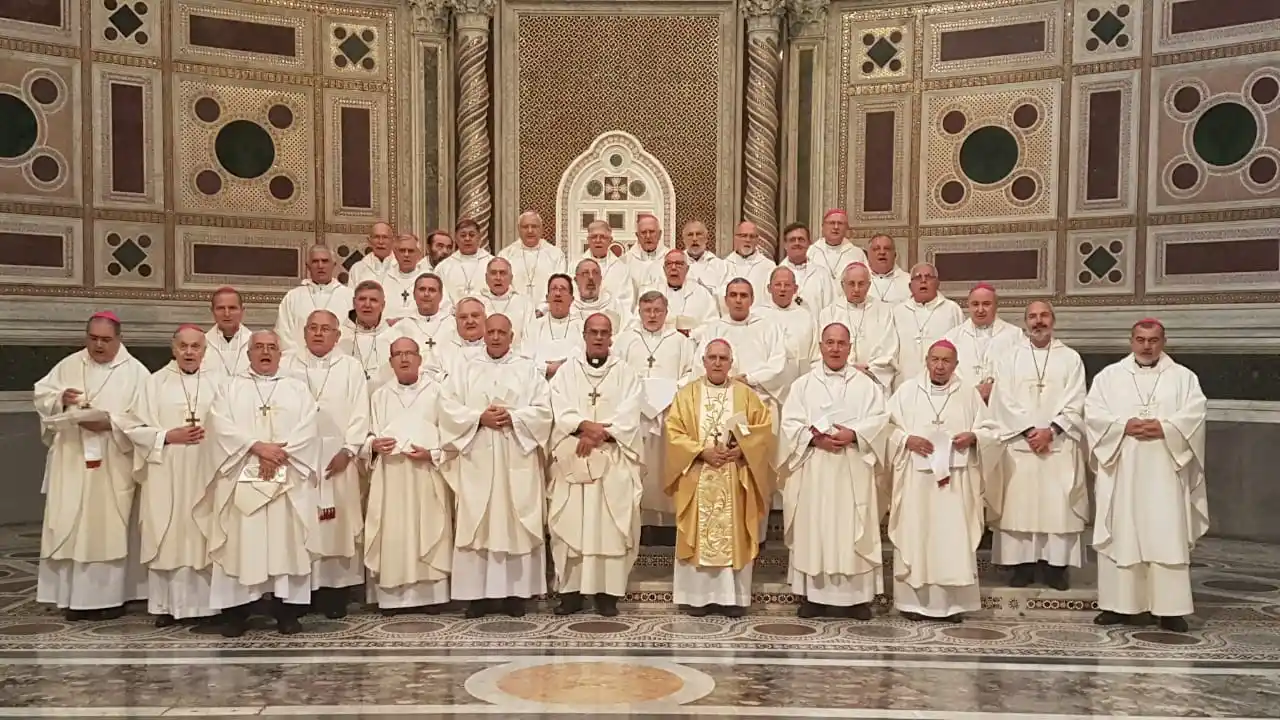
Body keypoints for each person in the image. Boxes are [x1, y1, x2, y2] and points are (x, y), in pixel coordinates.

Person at [1085, 318, 1208, 633]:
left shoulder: (1184, 378)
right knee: (1123, 530)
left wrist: (1166, 428)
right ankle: (1119, 605)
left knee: (1165, 533)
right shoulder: (1109, 377)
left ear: (1163, 341)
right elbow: (1094, 414)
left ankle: (1170, 609)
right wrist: (1123, 426)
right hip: (1123, 469)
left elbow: (1194, 414)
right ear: (1131, 340)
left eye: (1153, 340)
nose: (1146, 346)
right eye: (1140, 339)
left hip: (1165, 471)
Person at [197, 330, 321, 637]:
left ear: (281, 354)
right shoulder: (231, 388)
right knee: (242, 543)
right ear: (248, 353)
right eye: (259, 348)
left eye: (272, 348)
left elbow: (310, 426)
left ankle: (287, 612)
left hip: (287, 477)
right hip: (243, 476)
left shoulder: (297, 389)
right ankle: (237, 613)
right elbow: (219, 424)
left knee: (286, 543)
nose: (265, 353)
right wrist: (257, 447)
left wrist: (278, 453)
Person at [33, 311, 150, 620]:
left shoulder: (136, 372)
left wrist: (111, 423)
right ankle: (71, 597)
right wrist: (61, 398)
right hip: (72, 458)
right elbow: (41, 394)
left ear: (119, 339)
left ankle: (111, 598)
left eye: (105, 340)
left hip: (113, 460)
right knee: (71, 523)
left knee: (106, 528)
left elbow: (145, 416)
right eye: (93, 339)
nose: (98, 346)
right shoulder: (71, 364)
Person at [438, 315, 553, 618]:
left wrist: (513, 417)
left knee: (515, 522)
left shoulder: (527, 369)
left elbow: (544, 411)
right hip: (478, 458)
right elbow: (447, 406)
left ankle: (516, 594)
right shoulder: (465, 369)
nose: (497, 337)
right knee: (479, 524)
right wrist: (479, 418)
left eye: (503, 332)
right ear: (484, 335)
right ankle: (477, 596)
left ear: (512, 335)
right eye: (491, 332)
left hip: (517, 455)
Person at [777, 324, 889, 619]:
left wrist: (854, 434)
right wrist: (815, 439)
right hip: (815, 468)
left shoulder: (866, 386)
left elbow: (880, 420)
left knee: (852, 527)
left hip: (853, 466)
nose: (836, 348)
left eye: (841, 343)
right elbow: (789, 423)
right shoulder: (803, 385)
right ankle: (813, 597)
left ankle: (857, 599)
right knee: (816, 528)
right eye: (830, 342)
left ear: (850, 347)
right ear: (821, 346)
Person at [885, 339, 1001, 623]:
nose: (939, 366)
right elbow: (885, 428)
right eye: (935, 359)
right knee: (917, 535)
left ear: (956, 364)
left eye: (946, 361)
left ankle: (950, 606)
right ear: (926, 360)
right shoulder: (907, 391)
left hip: (956, 481)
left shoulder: (969, 395)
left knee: (951, 539)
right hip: (916, 480)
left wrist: (974, 437)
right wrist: (906, 439)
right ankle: (912, 603)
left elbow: (990, 431)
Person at [663, 340, 774, 617]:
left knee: (733, 533)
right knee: (698, 534)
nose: (717, 362)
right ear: (703, 361)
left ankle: (732, 598)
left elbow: (762, 430)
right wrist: (701, 452)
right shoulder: (687, 395)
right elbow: (674, 432)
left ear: (731, 362)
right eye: (712, 357)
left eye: (723, 358)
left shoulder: (746, 395)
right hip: (699, 475)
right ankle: (697, 598)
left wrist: (742, 450)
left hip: (733, 478)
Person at [546, 314, 645, 616]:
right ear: (584, 335)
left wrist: (600, 433)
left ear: (611, 337)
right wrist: (584, 426)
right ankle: (571, 593)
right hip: (576, 456)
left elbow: (631, 410)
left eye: (604, 333)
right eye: (593, 332)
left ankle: (607, 594)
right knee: (571, 523)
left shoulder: (626, 373)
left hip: (612, 458)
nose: (599, 337)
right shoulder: (567, 373)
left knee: (610, 526)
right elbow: (558, 405)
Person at [128, 325, 225, 626]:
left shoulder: (221, 383)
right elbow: (134, 427)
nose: (189, 352)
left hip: (206, 469)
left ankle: (209, 607)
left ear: (204, 351)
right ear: (174, 349)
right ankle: (165, 605)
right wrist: (168, 435)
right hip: (166, 468)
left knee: (204, 531)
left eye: (195, 346)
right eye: (183, 346)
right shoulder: (153, 383)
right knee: (168, 531)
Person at [987, 301, 1088, 590]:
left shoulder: (1070, 358)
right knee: (1020, 507)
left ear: (1053, 320)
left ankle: (1056, 568)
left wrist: (1052, 430)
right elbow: (1002, 400)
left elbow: (1077, 399)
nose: (1038, 321)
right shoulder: (1009, 358)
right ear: (1025, 322)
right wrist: (1031, 430)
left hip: (1058, 445)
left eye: (1044, 315)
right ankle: (1022, 567)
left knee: (1057, 508)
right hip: (1021, 445)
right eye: (1032, 317)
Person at [281, 310, 370, 619]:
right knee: (302, 523)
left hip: (338, 459)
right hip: (298, 458)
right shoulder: (287, 364)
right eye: (313, 328)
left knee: (337, 524)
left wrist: (349, 449)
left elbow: (361, 410)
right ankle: (301, 593)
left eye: (326, 329)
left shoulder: (351, 367)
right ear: (304, 332)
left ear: (337, 335)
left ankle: (335, 593)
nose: (319, 334)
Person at [363, 337, 452, 615]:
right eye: (398, 354)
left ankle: (431, 595)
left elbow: (451, 435)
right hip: (390, 476)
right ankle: (392, 596)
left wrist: (433, 453)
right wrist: (373, 446)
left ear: (420, 358)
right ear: (390, 362)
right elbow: (365, 435)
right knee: (393, 531)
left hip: (426, 472)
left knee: (428, 526)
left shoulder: (438, 392)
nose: (404, 359)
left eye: (409, 353)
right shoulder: (379, 395)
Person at [615, 291, 696, 529]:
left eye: (657, 310)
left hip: (670, 414)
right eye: (647, 310)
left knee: (665, 466)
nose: (652, 315)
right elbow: (617, 372)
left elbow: (692, 372)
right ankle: (637, 523)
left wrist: (673, 390)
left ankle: (668, 525)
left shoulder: (680, 341)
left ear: (666, 312)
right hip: (634, 414)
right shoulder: (626, 339)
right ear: (639, 312)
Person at [815, 262, 897, 388]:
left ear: (869, 285)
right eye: (851, 284)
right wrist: (850, 370)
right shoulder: (829, 313)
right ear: (843, 285)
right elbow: (824, 349)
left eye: (861, 284)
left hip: (873, 381)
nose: (856, 289)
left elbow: (889, 348)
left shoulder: (883, 311)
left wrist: (869, 372)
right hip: (839, 381)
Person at [942, 282, 1023, 401]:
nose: (980, 310)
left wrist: (995, 389)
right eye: (975, 304)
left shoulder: (1015, 335)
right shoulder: (952, 337)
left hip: (1001, 404)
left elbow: (1022, 373)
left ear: (996, 306)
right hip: (964, 403)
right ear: (968, 306)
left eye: (986, 304)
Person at [891, 263, 963, 389]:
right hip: (905, 382)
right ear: (910, 286)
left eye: (928, 277)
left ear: (937, 283)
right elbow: (891, 350)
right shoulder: (898, 312)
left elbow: (961, 347)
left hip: (943, 383)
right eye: (918, 278)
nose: (923, 281)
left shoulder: (952, 310)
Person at [275, 245, 354, 353]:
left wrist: (339, 357)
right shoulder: (293, 297)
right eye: (315, 261)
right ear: (308, 266)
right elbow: (283, 333)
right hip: (300, 364)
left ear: (334, 265)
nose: (320, 265)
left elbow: (353, 333)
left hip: (339, 363)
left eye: (325, 261)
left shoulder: (349, 296)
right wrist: (299, 359)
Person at [755, 267, 816, 398]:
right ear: (769, 288)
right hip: (764, 390)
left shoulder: (805, 316)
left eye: (787, 285)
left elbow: (814, 352)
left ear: (795, 289)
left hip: (799, 387)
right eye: (778, 285)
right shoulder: (757, 316)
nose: (782, 289)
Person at [523, 273, 585, 379]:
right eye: (554, 289)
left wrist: (560, 368)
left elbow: (584, 359)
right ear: (547, 298)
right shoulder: (534, 326)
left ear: (572, 299)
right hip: (540, 383)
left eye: (563, 289)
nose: (557, 293)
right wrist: (547, 369)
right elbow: (525, 361)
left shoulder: (582, 326)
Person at [391, 273, 454, 371]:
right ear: (414, 294)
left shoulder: (453, 324)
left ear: (441, 296)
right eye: (422, 289)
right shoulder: (402, 326)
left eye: (432, 290)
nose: (426, 294)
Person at [499, 210, 566, 298]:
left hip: (547, 309)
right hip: (514, 308)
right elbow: (502, 285)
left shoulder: (556, 255)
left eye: (534, 226)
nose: (530, 231)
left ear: (541, 229)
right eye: (525, 227)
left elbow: (559, 286)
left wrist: (543, 308)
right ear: (518, 229)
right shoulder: (505, 255)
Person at [339, 280, 394, 385]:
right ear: (354, 303)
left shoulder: (393, 337)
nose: (367, 304)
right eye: (362, 299)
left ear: (383, 305)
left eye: (373, 300)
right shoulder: (340, 335)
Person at [772, 222, 833, 312]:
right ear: (785, 244)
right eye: (792, 240)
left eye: (801, 239)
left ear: (809, 243)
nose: (797, 243)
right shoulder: (774, 275)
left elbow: (830, 309)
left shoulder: (822, 274)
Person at [580, 220, 636, 312]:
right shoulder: (575, 266)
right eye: (594, 237)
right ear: (588, 240)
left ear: (610, 241)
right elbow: (571, 297)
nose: (598, 240)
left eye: (603, 237)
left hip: (611, 320)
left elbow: (626, 301)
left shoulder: (622, 269)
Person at [433, 218, 493, 301]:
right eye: (463, 235)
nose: (467, 239)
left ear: (479, 238)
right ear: (456, 239)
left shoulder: (492, 263)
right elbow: (437, 295)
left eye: (471, 235)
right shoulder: (444, 267)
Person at [659, 249, 718, 332]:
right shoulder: (654, 292)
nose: (673, 268)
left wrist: (692, 333)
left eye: (679, 264)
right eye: (669, 264)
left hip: (693, 342)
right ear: (664, 269)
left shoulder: (701, 294)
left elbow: (713, 324)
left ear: (687, 269)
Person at [478, 257, 536, 339]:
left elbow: (529, 337)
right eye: (493, 273)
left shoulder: (525, 303)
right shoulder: (477, 303)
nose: (498, 278)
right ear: (486, 278)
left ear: (511, 278)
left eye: (502, 273)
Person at [430, 297, 487, 380]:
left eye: (475, 316)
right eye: (463, 317)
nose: (470, 321)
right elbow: (429, 374)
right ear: (456, 320)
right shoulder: (442, 349)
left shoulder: (498, 344)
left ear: (485, 318)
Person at [380, 234, 432, 321]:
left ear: (418, 254)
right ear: (395, 254)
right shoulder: (383, 278)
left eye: (411, 251)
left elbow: (442, 309)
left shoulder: (430, 279)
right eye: (402, 250)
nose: (406, 254)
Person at [807, 209, 868, 283]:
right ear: (823, 227)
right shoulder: (811, 251)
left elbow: (865, 280)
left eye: (840, 223)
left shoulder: (857, 253)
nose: (836, 227)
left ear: (846, 228)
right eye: (832, 223)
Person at [204, 287, 253, 377]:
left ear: (242, 311)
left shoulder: (255, 343)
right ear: (212, 311)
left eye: (232, 308)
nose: (227, 313)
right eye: (221, 308)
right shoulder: (201, 344)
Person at [721, 221, 775, 302]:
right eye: (743, 236)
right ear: (735, 238)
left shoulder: (768, 266)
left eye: (752, 236)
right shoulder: (723, 265)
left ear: (757, 240)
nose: (748, 240)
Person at [571, 258, 630, 329]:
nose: (591, 277)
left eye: (595, 273)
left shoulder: (615, 306)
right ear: (576, 280)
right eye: (585, 273)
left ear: (600, 279)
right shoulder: (569, 308)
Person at [624, 213, 670, 297]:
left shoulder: (671, 260)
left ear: (660, 234)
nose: (648, 236)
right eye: (643, 232)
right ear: (637, 235)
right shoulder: (625, 262)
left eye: (652, 232)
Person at [678, 219, 728, 291]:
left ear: (706, 238)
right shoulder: (676, 264)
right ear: (683, 239)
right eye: (690, 235)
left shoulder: (720, 266)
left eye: (698, 234)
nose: (694, 239)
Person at [346, 221, 397, 287]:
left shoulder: (402, 267)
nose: (380, 242)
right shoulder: (357, 269)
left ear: (393, 241)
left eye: (385, 237)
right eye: (376, 237)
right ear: (369, 241)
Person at [866, 234, 911, 304]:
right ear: (868, 255)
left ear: (895, 254)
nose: (882, 252)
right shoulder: (858, 281)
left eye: (887, 249)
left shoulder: (909, 281)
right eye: (876, 249)